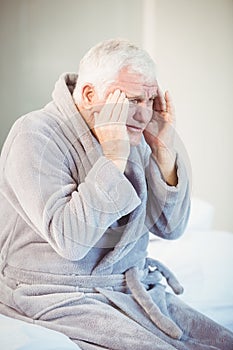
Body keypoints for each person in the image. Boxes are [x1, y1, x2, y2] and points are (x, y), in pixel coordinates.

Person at [0, 38, 232, 350]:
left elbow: (171, 228)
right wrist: (112, 159)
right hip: (55, 292)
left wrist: (164, 153)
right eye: (132, 100)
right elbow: (71, 240)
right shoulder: (34, 134)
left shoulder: (135, 135)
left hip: (129, 287)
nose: (144, 114)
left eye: (149, 101)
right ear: (89, 95)